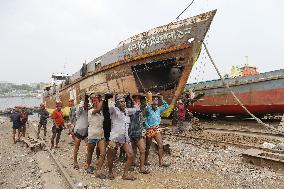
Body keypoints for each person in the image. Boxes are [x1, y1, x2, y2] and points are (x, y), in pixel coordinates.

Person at [107, 95, 139, 180]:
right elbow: (110, 106)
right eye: (121, 101)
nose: (123, 103)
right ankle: (110, 172)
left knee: (131, 155)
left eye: (124, 101)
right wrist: (114, 97)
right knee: (111, 157)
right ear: (117, 103)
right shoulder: (114, 111)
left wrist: (132, 99)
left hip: (124, 138)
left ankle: (125, 174)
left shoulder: (127, 111)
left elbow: (137, 109)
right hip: (114, 138)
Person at [144, 95, 170, 167]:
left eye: (157, 100)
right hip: (150, 130)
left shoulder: (159, 109)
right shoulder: (148, 109)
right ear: (152, 101)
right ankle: (145, 160)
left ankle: (161, 162)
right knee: (148, 146)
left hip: (157, 129)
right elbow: (144, 115)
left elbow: (166, 106)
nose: (156, 101)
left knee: (160, 145)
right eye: (154, 100)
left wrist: (162, 99)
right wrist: (147, 127)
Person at [127, 94, 150, 174]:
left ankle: (142, 168)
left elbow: (143, 105)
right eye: (135, 98)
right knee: (132, 150)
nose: (137, 99)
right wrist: (131, 98)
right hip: (130, 132)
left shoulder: (142, 108)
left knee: (142, 150)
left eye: (139, 98)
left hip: (138, 133)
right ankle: (131, 164)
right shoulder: (129, 108)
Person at [86, 94, 106, 178]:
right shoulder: (91, 111)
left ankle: (98, 170)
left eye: (97, 100)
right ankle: (88, 165)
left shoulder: (101, 112)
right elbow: (97, 109)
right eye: (94, 100)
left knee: (103, 153)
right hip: (92, 135)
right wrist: (102, 99)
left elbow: (100, 108)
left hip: (101, 135)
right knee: (90, 152)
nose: (96, 101)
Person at [73, 94, 89, 170]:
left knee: (89, 147)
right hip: (79, 131)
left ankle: (87, 162)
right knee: (77, 147)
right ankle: (75, 162)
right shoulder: (80, 109)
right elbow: (77, 113)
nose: (86, 104)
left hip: (85, 131)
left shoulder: (88, 109)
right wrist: (82, 101)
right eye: (85, 103)